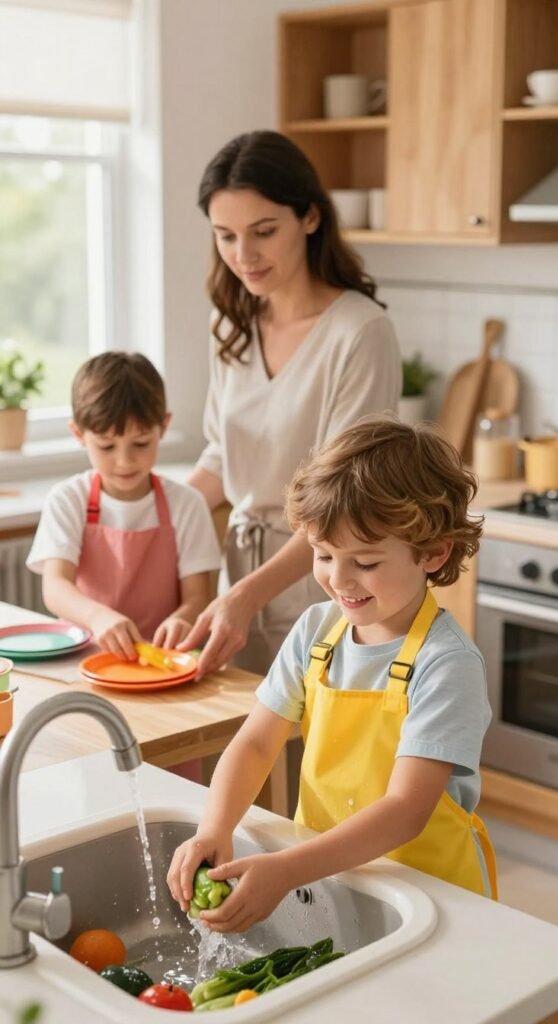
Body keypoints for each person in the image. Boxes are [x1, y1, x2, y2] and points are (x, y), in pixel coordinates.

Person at [167, 417, 498, 930]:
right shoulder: (317, 631)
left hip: (432, 900)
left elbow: (406, 808)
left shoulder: (446, 663)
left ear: (433, 553)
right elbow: (256, 743)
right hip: (328, 880)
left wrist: (285, 870)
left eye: (364, 562)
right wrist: (215, 826)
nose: (338, 580)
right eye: (323, 555)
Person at [179, 130, 401, 678]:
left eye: (263, 231)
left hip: (331, 586)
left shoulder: (358, 332)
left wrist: (249, 595)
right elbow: (219, 457)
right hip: (242, 581)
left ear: (309, 218)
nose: (243, 255)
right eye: (225, 236)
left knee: (315, 758)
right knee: (246, 752)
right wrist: (151, 515)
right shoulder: (230, 324)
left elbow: (344, 499)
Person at [27, 352, 221, 658]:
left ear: (164, 426)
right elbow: (55, 587)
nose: (125, 460)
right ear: (78, 433)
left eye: (141, 443)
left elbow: (197, 596)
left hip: (162, 662)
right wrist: (97, 617)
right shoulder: (68, 499)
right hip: (84, 659)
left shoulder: (186, 504)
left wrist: (183, 619)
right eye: (106, 445)